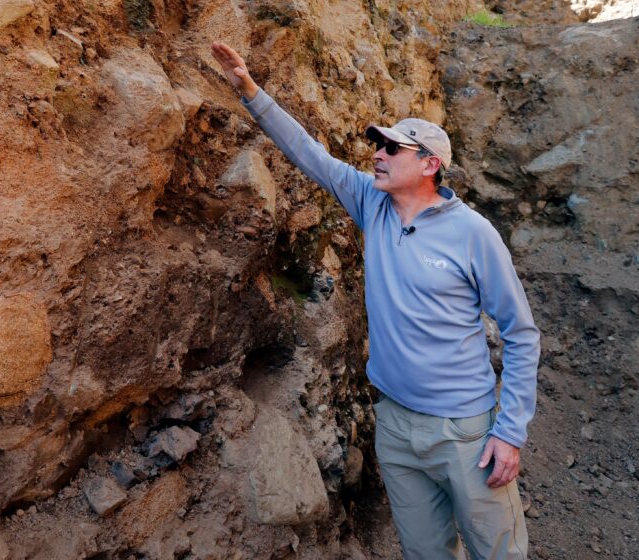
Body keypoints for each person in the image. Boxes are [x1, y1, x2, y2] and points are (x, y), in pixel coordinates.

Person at [210, 42, 540, 560]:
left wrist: (510, 432)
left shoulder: (474, 234)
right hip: (396, 426)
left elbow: (521, 333)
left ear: (430, 164)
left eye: (392, 149)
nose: (377, 155)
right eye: (378, 147)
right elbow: (310, 155)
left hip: (466, 434)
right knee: (424, 554)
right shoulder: (372, 202)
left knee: (498, 554)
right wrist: (251, 91)